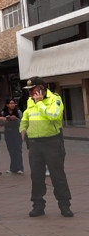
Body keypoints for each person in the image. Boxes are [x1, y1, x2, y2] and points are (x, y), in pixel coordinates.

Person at [20, 77, 72, 217]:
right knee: (36, 176)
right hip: (35, 144)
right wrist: (22, 128)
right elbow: (26, 116)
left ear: (42, 88)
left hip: (52, 142)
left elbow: (54, 115)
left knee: (57, 175)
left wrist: (41, 103)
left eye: (33, 90)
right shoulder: (30, 101)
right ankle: (38, 205)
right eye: (29, 91)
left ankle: (64, 204)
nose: (31, 93)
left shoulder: (54, 99)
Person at [1, 98, 23, 174]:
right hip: (8, 132)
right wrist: (6, 120)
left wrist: (16, 118)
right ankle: (13, 168)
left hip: (16, 132)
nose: (12, 105)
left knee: (18, 150)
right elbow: (1, 123)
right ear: (7, 105)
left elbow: (22, 121)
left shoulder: (18, 112)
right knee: (11, 150)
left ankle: (20, 168)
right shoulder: (4, 112)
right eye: (10, 103)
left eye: (13, 103)